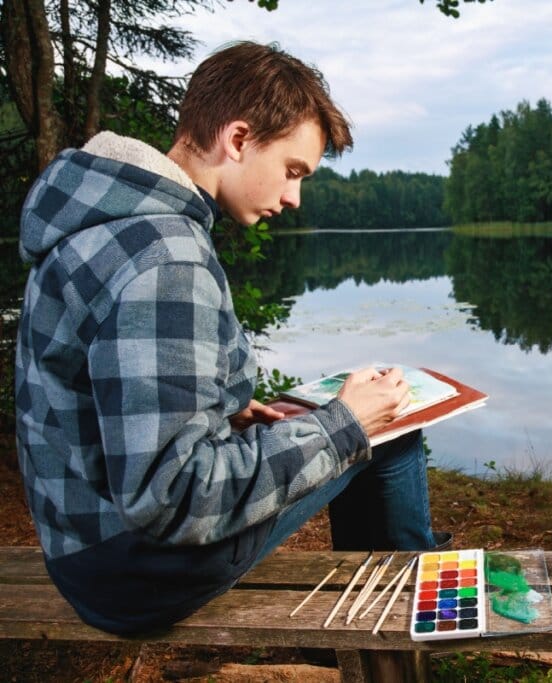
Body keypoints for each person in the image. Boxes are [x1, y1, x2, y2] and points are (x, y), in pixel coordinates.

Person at [14, 41, 445, 635]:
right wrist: (341, 425)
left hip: (82, 551)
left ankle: (391, 594)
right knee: (387, 430)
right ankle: (419, 612)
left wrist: (221, 413)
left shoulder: (103, 221)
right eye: (293, 171)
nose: (294, 197)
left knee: (359, 426)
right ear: (238, 139)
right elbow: (171, 498)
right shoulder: (167, 258)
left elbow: (99, 401)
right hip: (136, 576)